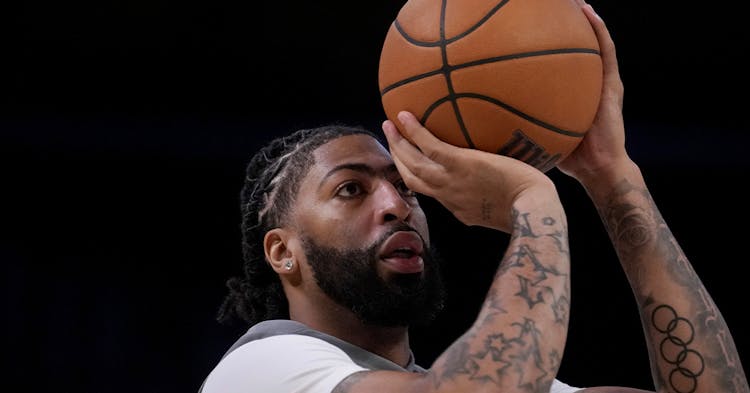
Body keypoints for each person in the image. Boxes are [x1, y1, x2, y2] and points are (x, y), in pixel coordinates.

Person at [200, 2, 749, 393]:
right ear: (281, 251)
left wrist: (613, 178)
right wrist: (534, 200)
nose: (397, 205)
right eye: (350, 190)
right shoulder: (263, 370)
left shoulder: (470, 380)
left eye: (404, 184)